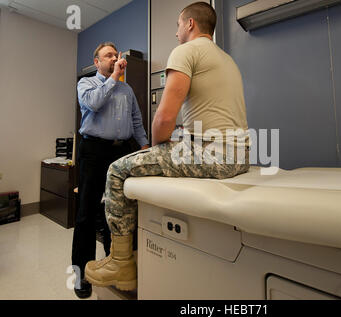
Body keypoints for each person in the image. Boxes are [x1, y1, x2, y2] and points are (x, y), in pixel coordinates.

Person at [84, 2, 250, 291]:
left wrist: (158, 146)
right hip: (240, 155)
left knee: (116, 171)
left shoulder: (185, 51)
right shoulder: (227, 59)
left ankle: (121, 263)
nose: (175, 33)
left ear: (189, 25)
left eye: (177, 25)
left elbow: (163, 119)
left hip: (214, 155)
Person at [72, 42, 150, 298]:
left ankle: (113, 265)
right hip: (93, 152)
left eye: (116, 55)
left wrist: (145, 148)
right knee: (86, 213)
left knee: (115, 212)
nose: (114, 58)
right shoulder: (87, 84)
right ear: (97, 62)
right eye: (108, 56)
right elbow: (93, 104)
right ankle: (82, 274)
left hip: (121, 152)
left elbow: (136, 122)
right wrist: (114, 77)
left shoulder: (127, 90)